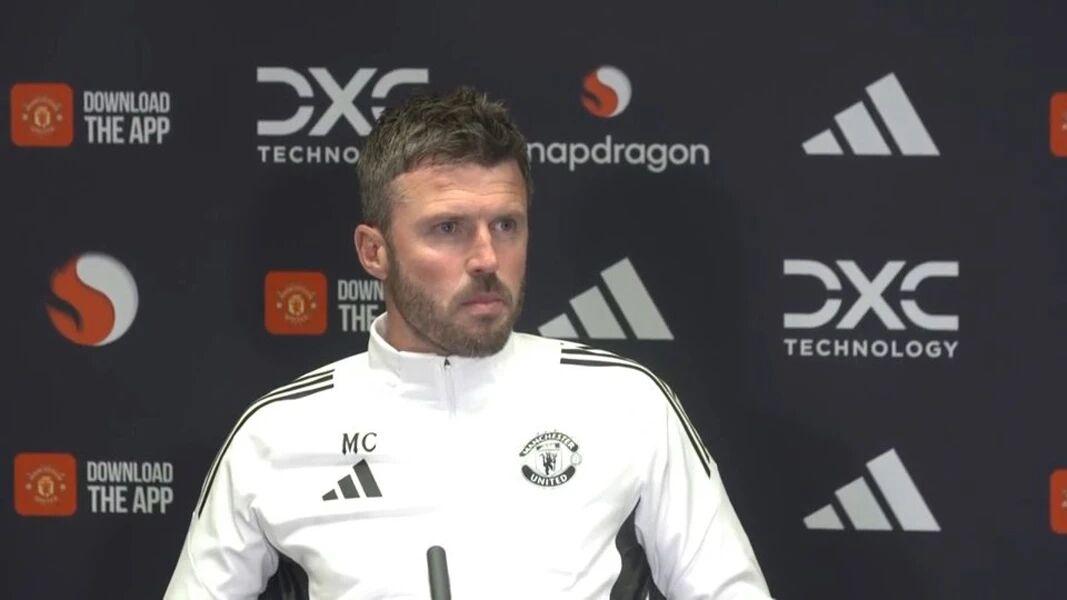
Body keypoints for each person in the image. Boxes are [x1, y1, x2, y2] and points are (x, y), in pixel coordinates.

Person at [164, 87, 772, 599]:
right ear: (374, 251)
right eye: (448, 228)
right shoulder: (276, 436)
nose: (486, 258)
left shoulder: (626, 403)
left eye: (506, 224)